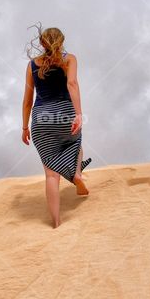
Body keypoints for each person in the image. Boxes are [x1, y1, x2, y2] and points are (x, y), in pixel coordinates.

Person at [21, 24, 92, 228]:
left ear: (42, 43)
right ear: (61, 41)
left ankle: (56, 222)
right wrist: (78, 114)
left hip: (41, 119)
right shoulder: (69, 59)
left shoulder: (32, 65)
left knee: (51, 174)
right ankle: (76, 173)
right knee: (75, 144)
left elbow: (27, 100)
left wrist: (25, 127)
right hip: (64, 114)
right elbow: (72, 84)